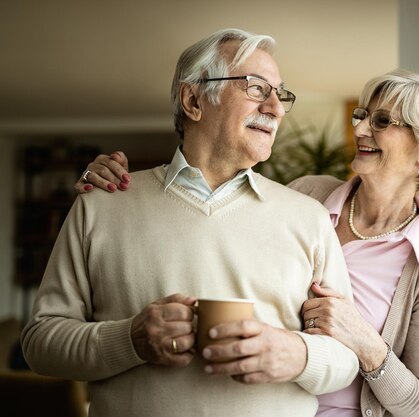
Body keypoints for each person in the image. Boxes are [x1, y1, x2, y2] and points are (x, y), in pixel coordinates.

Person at [75, 70, 419, 416]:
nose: (358, 129)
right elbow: (219, 215)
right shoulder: (307, 196)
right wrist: (132, 190)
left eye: (382, 121)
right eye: (362, 116)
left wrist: (365, 341)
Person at [20, 28, 359, 417]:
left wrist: (297, 354)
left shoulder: (309, 218)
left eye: (279, 94)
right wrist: (130, 340)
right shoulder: (102, 206)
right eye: (255, 88)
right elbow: (40, 344)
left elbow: (346, 358)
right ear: (193, 99)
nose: (276, 108)